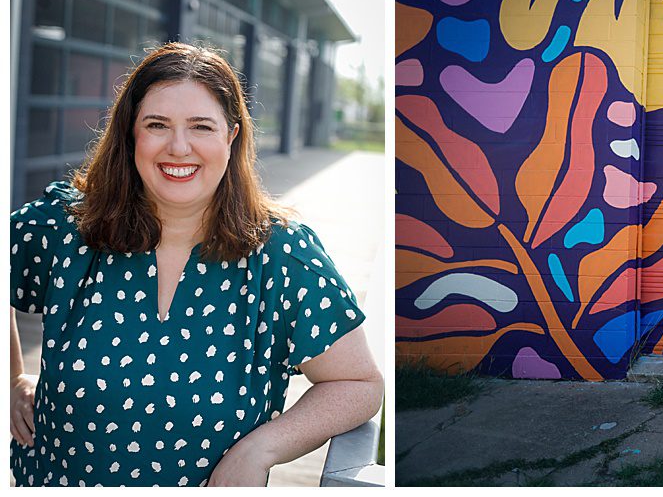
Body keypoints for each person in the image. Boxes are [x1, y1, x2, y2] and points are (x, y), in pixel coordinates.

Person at [8, 42, 383, 486]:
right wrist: (12, 378)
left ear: (232, 135)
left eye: (201, 126)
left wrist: (261, 449)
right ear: (131, 134)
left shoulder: (282, 257)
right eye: (157, 124)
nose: (179, 146)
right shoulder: (65, 229)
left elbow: (358, 384)